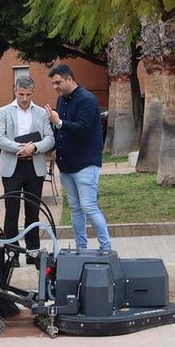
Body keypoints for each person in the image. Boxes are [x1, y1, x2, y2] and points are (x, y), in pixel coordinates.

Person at [45, 63, 111, 251]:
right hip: (66, 165)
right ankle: (81, 247)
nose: (55, 87)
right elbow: (61, 129)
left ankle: (106, 247)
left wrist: (58, 122)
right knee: (75, 208)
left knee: (89, 206)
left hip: (86, 164)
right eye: (53, 84)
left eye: (58, 82)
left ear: (69, 79)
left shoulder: (87, 99)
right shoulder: (61, 100)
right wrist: (57, 146)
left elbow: (81, 128)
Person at [0, 75, 55, 257]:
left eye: (28, 94)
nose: (25, 99)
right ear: (15, 91)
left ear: (33, 92)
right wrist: (19, 148)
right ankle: (12, 251)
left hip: (34, 167)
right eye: (21, 94)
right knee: (12, 210)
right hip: (12, 167)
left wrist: (34, 147)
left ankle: (32, 251)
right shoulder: (4, 111)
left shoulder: (41, 113)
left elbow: (50, 138)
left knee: (33, 210)